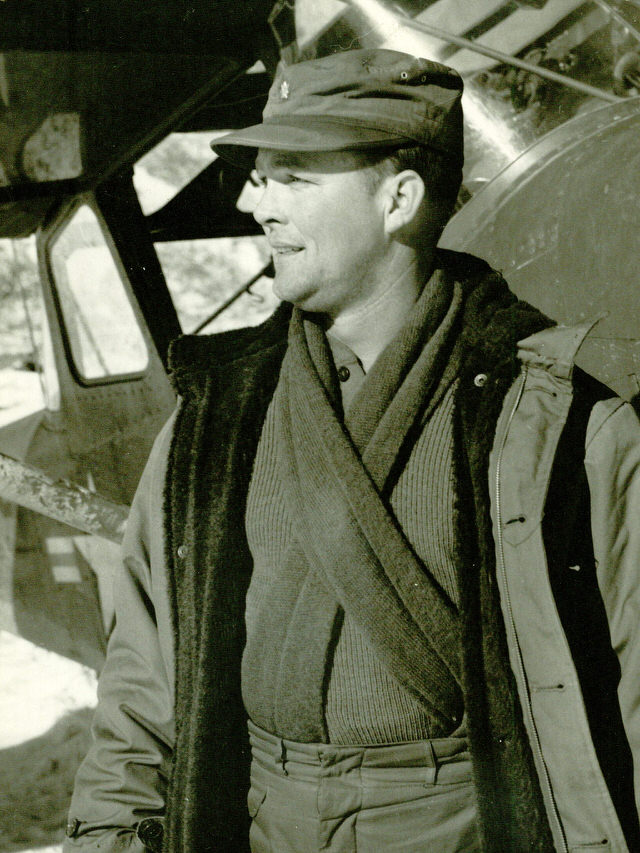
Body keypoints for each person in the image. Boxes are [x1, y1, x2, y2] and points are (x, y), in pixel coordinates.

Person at [63, 49, 640, 853]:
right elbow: (142, 681)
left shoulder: (561, 425)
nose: (255, 202)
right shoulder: (211, 422)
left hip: (461, 827)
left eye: (293, 177)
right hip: (256, 825)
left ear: (399, 199)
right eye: (261, 177)